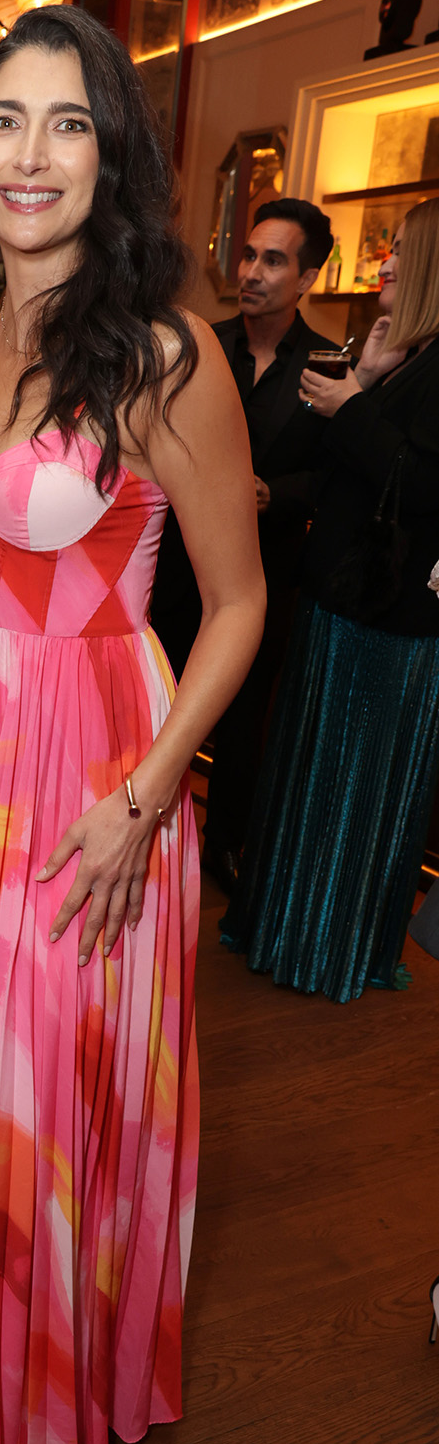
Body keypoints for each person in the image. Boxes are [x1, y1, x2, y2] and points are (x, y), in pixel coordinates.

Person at [0, 4, 265, 1444]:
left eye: (69, 123)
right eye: (4, 124)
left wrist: (146, 794)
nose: (30, 155)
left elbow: (236, 604)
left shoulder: (165, 356)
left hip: (96, 769)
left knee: (31, 1096)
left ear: (112, 157)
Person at [221, 197, 439, 1002]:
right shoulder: (407, 354)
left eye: (398, 254)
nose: (381, 263)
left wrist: (353, 406)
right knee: (311, 780)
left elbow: (422, 483)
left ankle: (324, 947)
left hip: (386, 623)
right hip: (342, 604)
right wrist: (371, 383)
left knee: (347, 796)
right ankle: (287, 931)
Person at [151, 198, 334, 892]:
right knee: (160, 700)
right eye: (249, 254)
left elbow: (334, 474)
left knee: (245, 716)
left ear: (308, 276)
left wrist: (276, 493)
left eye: (274, 260)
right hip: (172, 568)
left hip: (264, 572)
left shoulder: (325, 365)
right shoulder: (193, 347)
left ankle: (223, 846)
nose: (252, 271)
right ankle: (150, 837)